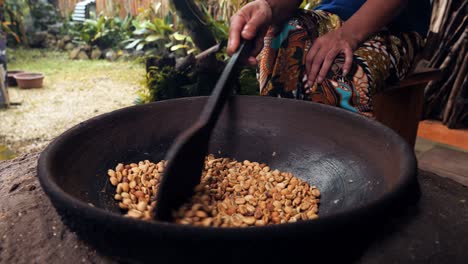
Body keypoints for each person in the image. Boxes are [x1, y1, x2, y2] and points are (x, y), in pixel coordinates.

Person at [227, 0, 431, 117]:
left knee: (338, 75)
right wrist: (268, 6)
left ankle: (338, 174)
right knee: (280, 35)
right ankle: (275, 152)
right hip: (333, 13)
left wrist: (348, 35)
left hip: (396, 27)